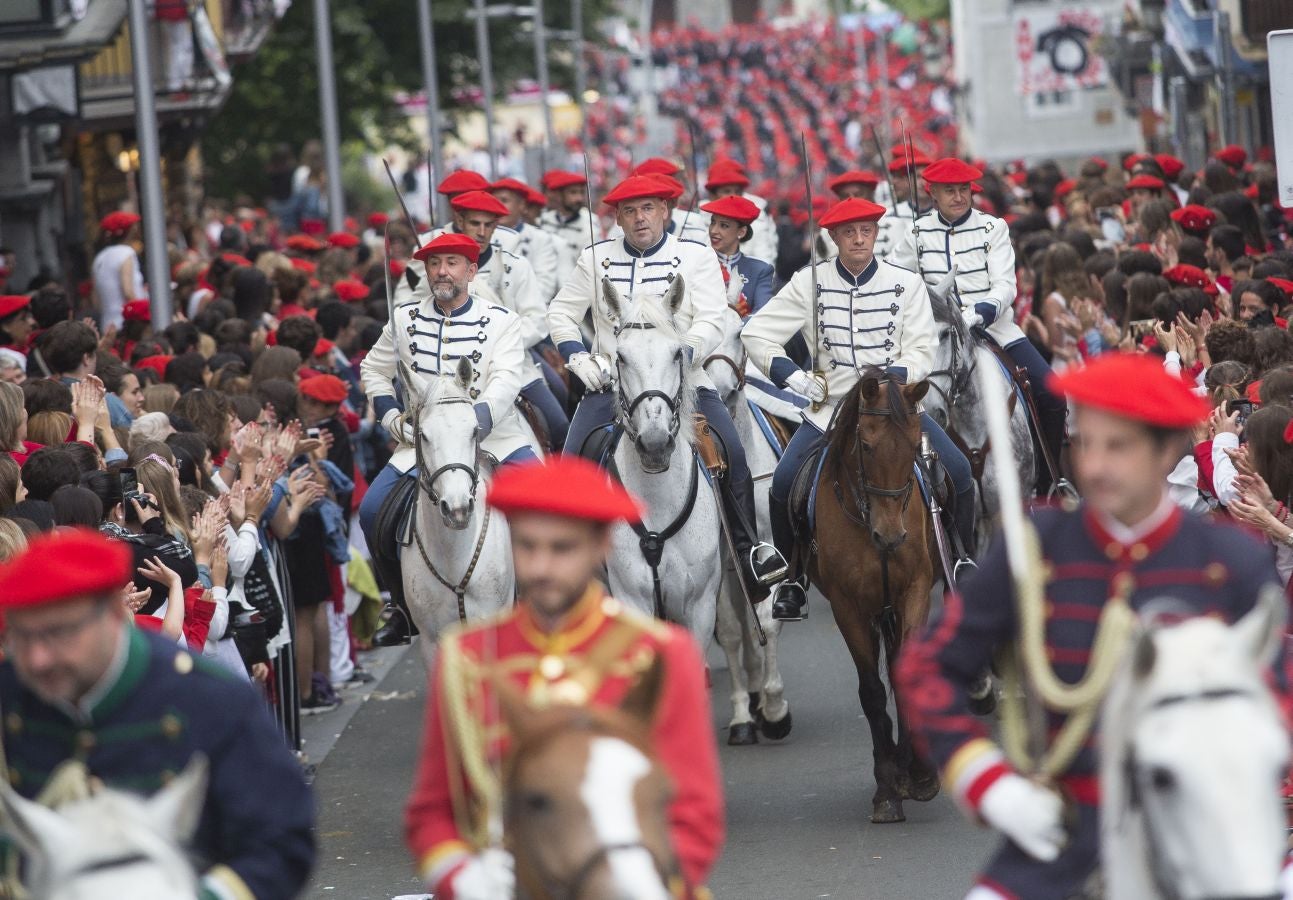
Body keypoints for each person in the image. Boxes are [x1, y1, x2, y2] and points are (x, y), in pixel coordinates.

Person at [895, 353, 1282, 900]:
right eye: (1084, 443)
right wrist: (986, 781)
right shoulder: (1037, 548)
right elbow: (928, 668)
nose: (1095, 466)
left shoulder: (1229, 559)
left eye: (1117, 446)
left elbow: (1278, 695)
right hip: (1062, 834)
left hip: (1209, 831)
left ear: (1167, 450)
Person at [404, 455, 722, 899]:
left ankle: (755, 549)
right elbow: (432, 811)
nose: (540, 568)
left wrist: (645, 885)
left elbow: (694, 810)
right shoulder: (466, 657)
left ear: (601, 547)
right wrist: (465, 879)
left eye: (562, 549)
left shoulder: (663, 654)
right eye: (527, 546)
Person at [0, 528, 314, 899]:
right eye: (22, 636)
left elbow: (282, 839)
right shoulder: (11, 692)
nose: (38, 658)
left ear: (114, 614)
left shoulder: (209, 697)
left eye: (58, 633)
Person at [548, 174, 787, 602]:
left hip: (685, 377)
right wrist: (578, 355)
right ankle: (570, 570)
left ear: (665, 212)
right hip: (612, 380)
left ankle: (751, 552)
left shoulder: (694, 257)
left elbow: (714, 317)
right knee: (570, 462)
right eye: (629, 211)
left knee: (732, 452)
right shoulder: (594, 258)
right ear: (617, 218)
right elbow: (562, 313)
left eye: (647, 209)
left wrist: (688, 352)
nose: (640, 219)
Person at [742, 196, 974, 621]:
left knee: (959, 472)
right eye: (849, 232)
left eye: (866, 230)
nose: (859, 239)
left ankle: (961, 561)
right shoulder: (808, 282)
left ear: (876, 233)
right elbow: (756, 334)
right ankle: (793, 578)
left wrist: (892, 378)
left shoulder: (906, 283)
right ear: (833, 237)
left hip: (895, 403)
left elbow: (923, 346)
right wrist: (793, 377)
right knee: (783, 482)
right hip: (831, 405)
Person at [358, 233, 540, 645]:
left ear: (471, 271)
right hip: (422, 441)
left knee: (546, 507)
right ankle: (401, 606)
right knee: (371, 512)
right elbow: (372, 370)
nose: (442, 271)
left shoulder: (501, 320)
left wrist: (472, 423)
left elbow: (508, 379)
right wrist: (390, 418)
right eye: (435, 263)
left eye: (453, 263)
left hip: (494, 436)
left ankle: (545, 602)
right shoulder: (404, 319)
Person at [890, 157, 1068, 493]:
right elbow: (895, 278)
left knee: (1051, 393)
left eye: (963, 190)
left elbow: (1006, 286)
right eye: (949, 191)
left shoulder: (993, 227)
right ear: (933, 193)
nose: (958, 197)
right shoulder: (917, 232)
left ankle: (1049, 484)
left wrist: (974, 315)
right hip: (937, 338)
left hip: (993, 329)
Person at [489, 177, 561, 301]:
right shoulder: (483, 235)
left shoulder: (540, 238)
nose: (498, 206)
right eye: (494, 201)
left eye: (504, 200)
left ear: (522, 205)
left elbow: (544, 285)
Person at [700, 195, 775, 313]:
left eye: (724, 225)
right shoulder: (699, 262)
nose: (713, 230)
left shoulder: (760, 270)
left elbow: (761, 315)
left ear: (741, 232)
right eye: (713, 222)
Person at [703, 160, 779, 266]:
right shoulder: (697, 217)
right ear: (712, 195)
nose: (734, 196)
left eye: (738, 191)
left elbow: (765, 261)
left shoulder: (757, 215)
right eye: (727, 191)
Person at [537, 170, 596, 280]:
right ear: (559, 195)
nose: (579, 198)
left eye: (581, 192)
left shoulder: (590, 224)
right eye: (573, 193)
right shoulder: (544, 220)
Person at [90, 212, 145, 330]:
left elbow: (96, 300)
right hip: (127, 325)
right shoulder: (126, 253)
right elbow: (128, 291)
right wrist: (143, 315)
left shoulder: (99, 258)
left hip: (108, 324)